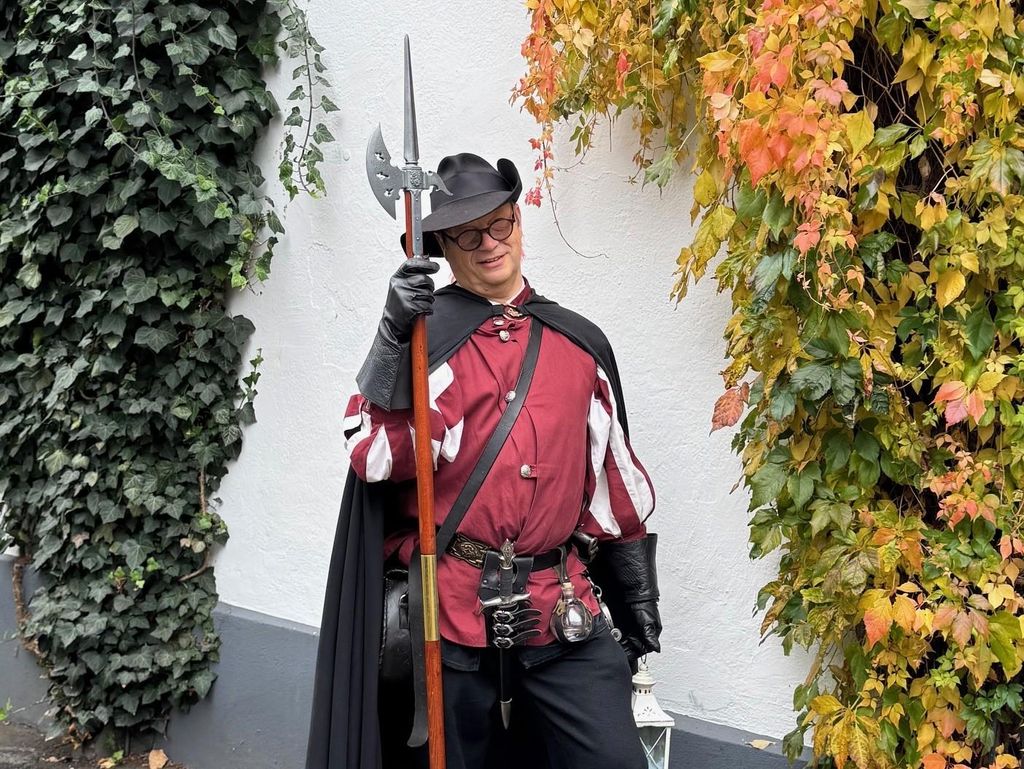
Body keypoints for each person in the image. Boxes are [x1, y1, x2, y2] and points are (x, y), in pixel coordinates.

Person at [305, 153, 662, 769]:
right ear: (443, 246)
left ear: (518, 222)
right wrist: (391, 339)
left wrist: (638, 611)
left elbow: (614, 488)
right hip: (449, 612)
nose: (489, 244)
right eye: (468, 235)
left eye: (499, 224)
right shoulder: (425, 344)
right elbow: (375, 455)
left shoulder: (578, 344)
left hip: (559, 606)